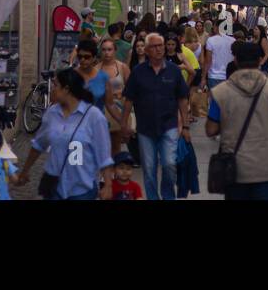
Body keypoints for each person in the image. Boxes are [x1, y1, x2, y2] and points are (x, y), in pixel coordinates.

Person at [205, 40, 268, 200]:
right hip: (266, 168)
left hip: (235, 168)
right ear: (259, 61)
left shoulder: (221, 91)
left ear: (235, 60)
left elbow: (211, 130)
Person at [12, 68, 113, 200]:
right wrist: (24, 172)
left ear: (66, 89)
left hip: (82, 189)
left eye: (55, 85)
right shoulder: (51, 113)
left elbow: (104, 155)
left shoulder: (94, 116)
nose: (52, 89)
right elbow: (38, 145)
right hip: (54, 187)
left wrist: (108, 185)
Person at [119, 32, 190, 200]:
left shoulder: (173, 71)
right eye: (154, 46)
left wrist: (185, 126)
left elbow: (182, 99)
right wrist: (124, 125)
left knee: (169, 165)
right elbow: (128, 100)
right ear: (147, 50)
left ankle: (168, 196)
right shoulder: (138, 72)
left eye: (161, 45)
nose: (158, 49)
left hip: (169, 126)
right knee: (149, 169)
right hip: (145, 129)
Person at [74, 37, 114, 119]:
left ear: (94, 58)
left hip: (96, 123)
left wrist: (122, 122)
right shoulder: (70, 75)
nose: (82, 59)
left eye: (87, 57)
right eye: (80, 56)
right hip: (74, 123)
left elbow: (110, 104)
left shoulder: (103, 77)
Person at [202, 18, 235, 91]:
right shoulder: (233, 41)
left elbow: (208, 61)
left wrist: (203, 78)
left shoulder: (211, 40)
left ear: (217, 27)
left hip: (214, 76)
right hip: (229, 76)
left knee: (214, 100)